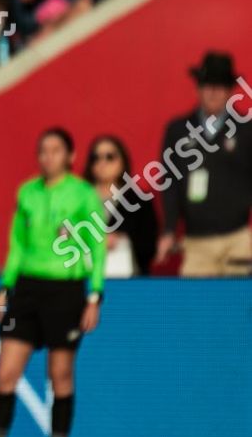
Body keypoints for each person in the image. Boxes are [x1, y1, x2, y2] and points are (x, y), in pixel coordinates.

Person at [0, 128, 104, 437]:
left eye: (56, 150)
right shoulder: (27, 193)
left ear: (71, 156)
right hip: (28, 290)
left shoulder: (83, 194)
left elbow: (97, 246)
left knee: (59, 375)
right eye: (42, 150)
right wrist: (5, 288)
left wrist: (95, 295)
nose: (48, 157)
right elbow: (16, 245)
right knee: (5, 374)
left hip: (66, 290)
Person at [156, 52, 252, 276]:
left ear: (230, 91)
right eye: (207, 85)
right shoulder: (178, 130)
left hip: (238, 238)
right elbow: (169, 183)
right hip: (196, 242)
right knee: (196, 307)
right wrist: (169, 229)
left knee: (239, 308)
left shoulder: (246, 129)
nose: (213, 92)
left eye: (220, 86)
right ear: (197, 88)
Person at [84, 135, 159, 278]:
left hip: (128, 282)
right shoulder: (78, 199)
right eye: (96, 157)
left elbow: (149, 246)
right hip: (83, 281)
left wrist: (122, 239)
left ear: (122, 162)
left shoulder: (138, 201)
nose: (102, 162)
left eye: (110, 157)